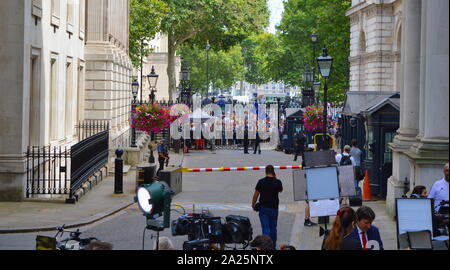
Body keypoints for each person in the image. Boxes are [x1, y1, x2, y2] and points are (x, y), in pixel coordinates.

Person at [252, 165, 283, 247]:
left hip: (263, 209)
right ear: (273, 172)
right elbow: (280, 190)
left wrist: (253, 204)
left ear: (265, 171)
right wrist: (275, 178)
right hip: (274, 208)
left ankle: (265, 246)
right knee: (273, 228)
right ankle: (273, 246)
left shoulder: (261, 181)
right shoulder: (278, 182)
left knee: (266, 228)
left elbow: (256, 195)